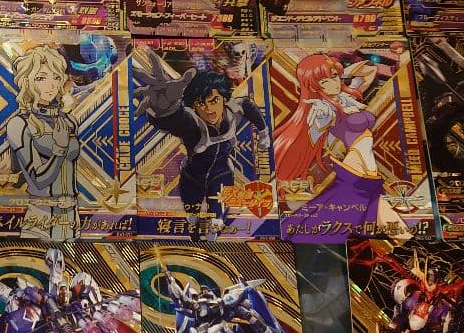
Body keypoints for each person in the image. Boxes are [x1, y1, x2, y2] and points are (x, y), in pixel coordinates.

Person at [133, 48, 270, 239]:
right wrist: (163, 108)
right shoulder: (191, 122)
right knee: (193, 220)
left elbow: (249, 106)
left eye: (214, 101)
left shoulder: (235, 109)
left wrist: (263, 133)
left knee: (216, 223)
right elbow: (173, 120)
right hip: (192, 176)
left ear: (224, 98)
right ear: (194, 105)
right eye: (201, 103)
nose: (209, 109)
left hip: (222, 174)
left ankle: (212, 235)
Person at [275, 53, 408, 241]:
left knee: (381, 217)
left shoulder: (345, 98)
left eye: (335, 77)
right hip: (356, 169)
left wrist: (339, 71)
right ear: (313, 86)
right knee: (371, 216)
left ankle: (410, 250)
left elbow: (369, 71)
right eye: (324, 81)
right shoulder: (323, 110)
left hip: (366, 169)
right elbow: (311, 134)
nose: (334, 83)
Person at [5, 46, 80, 240]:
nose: (51, 85)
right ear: (27, 82)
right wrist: (59, 148)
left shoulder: (69, 121)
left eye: (56, 77)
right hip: (41, 217)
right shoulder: (19, 124)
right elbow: (38, 180)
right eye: (41, 78)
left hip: (72, 218)